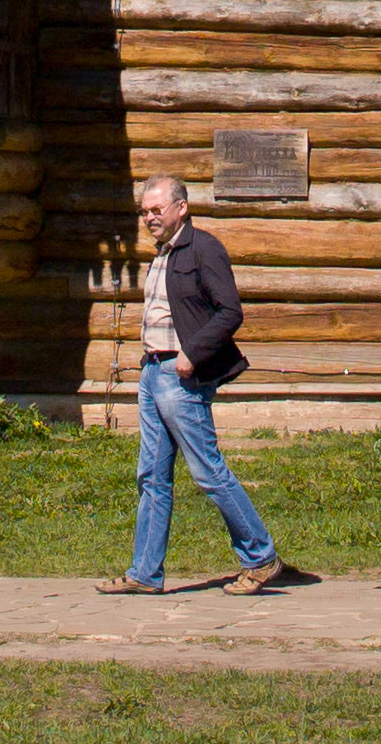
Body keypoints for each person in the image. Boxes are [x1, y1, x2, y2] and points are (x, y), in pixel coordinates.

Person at [100, 173, 287, 593]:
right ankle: (145, 573)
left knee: (207, 472)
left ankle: (261, 558)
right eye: (144, 211)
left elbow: (229, 312)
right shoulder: (162, 254)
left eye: (156, 209)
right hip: (153, 374)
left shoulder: (203, 248)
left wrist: (191, 355)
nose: (148, 218)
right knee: (151, 475)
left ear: (181, 208)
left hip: (180, 378)